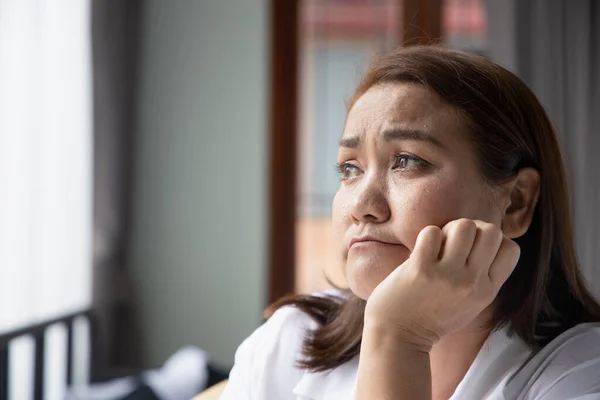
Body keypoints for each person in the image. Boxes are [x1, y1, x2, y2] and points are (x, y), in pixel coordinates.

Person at [220, 46, 600, 399]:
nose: (362, 206)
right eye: (349, 168)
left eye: (407, 161)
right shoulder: (288, 339)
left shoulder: (584, 371)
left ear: (516, 202)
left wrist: (397, 339)